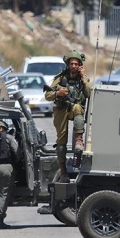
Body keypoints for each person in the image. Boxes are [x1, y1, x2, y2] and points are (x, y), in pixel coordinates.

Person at [44, 50, 92, 182]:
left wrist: (83, 78)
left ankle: (79, 140)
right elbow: (47, 95)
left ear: (80, 65)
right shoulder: (60, 77)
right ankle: (63, 172)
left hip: (74, 109)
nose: (74, 66)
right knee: (61, 143)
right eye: (72, 64)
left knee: (77, 108)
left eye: (76, 64)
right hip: (61, 109)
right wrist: (57, 93)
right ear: (68, 64)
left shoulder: (83, 77)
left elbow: (88, 94)